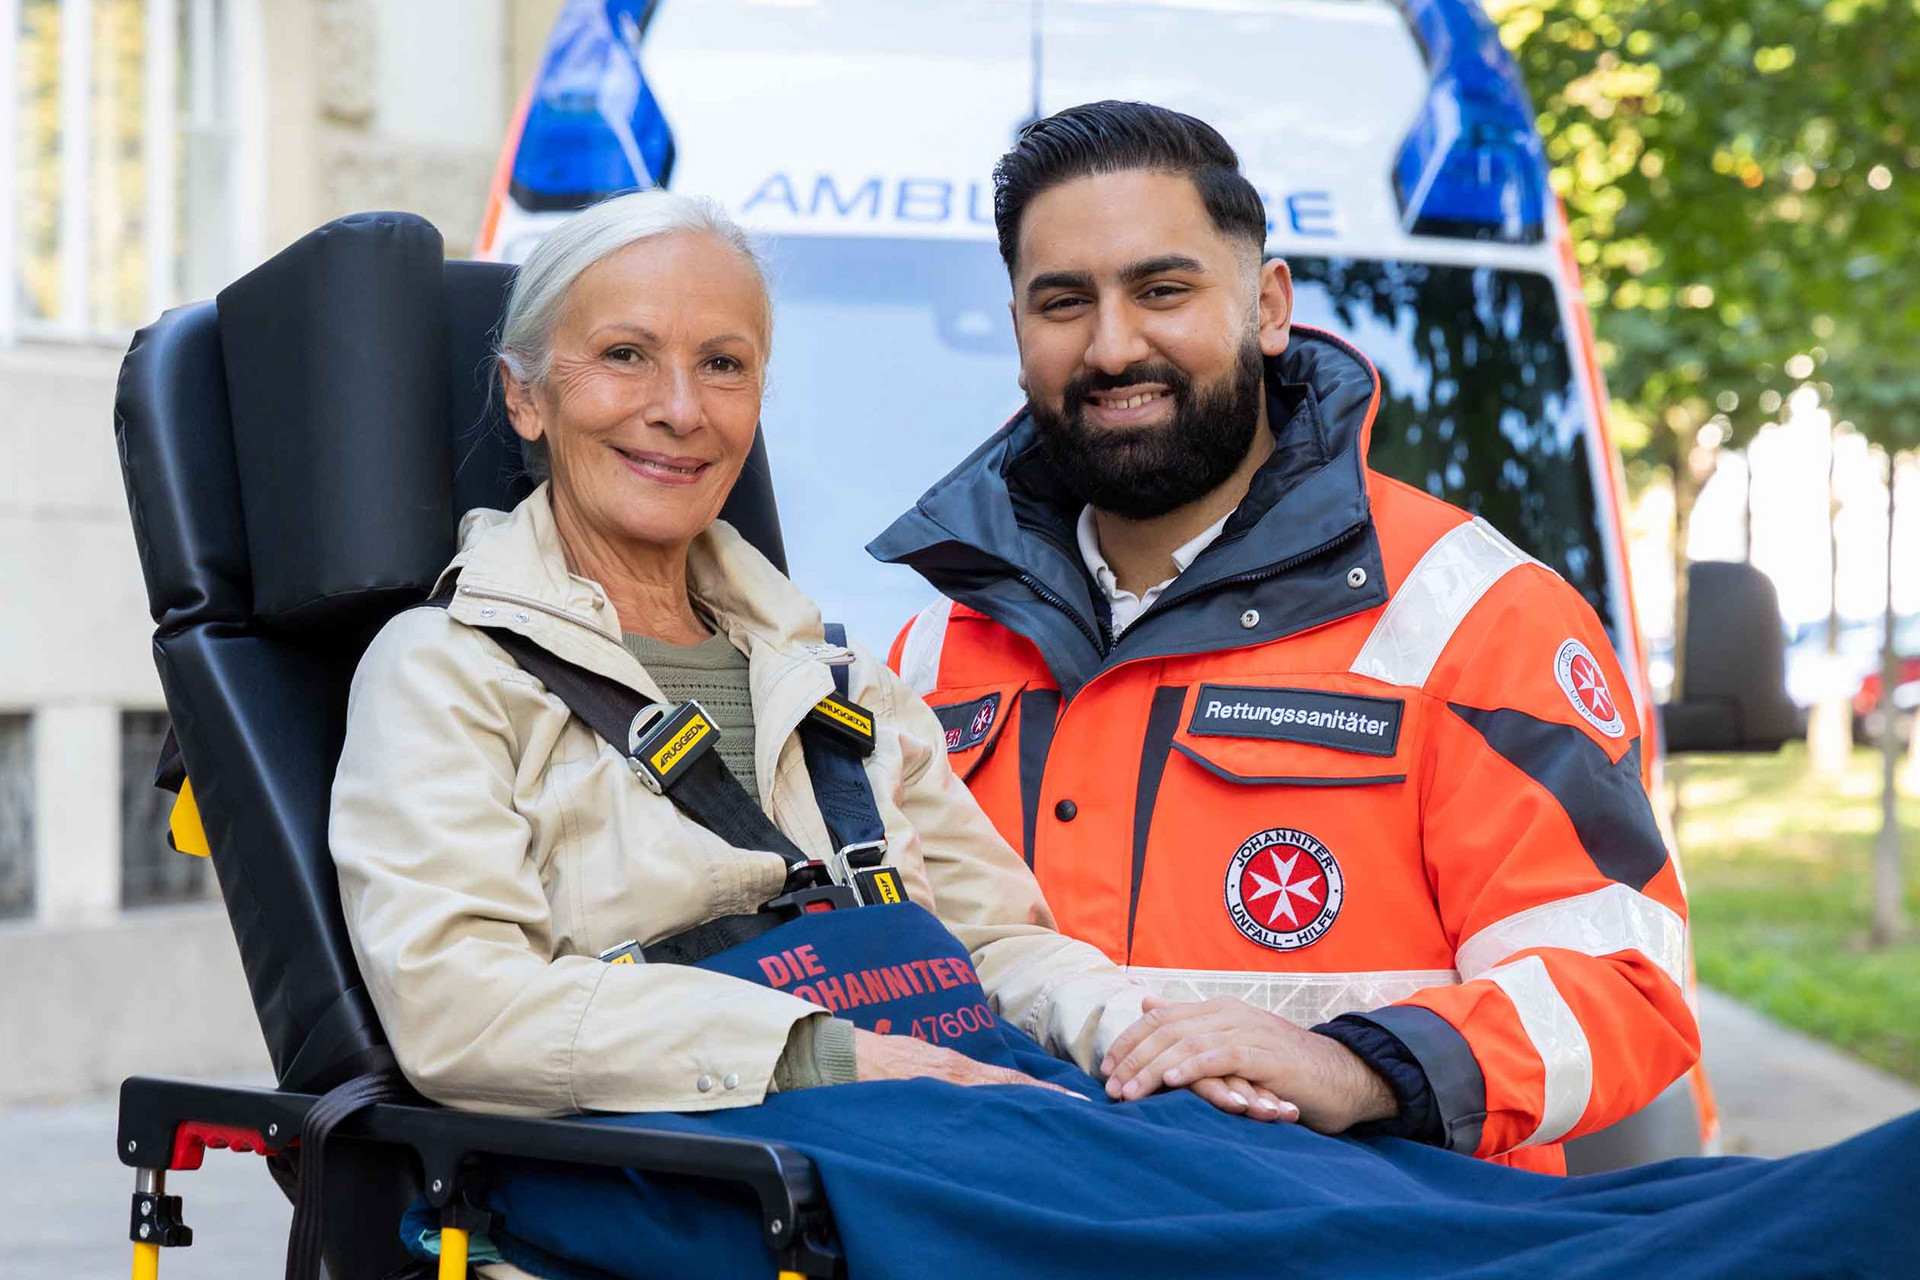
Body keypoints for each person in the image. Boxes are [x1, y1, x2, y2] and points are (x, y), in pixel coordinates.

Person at [870, 101, 1699, 1173]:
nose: (1114, 345)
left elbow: (1625, 987)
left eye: (1162, 289)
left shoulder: (1473, 615)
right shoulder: (922, 663)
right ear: (1020, 328)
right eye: (1064, 301)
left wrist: (1360, 1069)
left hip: (1379, 1242)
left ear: (1267, 306)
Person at [330, 188, 1177, 1119]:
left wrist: (1144, 1036)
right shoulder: (445, 675)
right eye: (625, 356)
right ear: (525, 397)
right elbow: (464, 1014)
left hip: (952, 1116)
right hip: (708, 1187)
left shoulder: (847, 685)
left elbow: (999, 948)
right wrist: (825, 1056)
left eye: (723, 365)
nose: (682, 409)